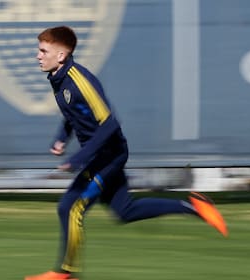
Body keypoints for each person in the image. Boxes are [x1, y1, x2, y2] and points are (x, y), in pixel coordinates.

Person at [25, 26, 227, 280]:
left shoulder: (78, 81)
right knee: (125, 211)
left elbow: (109, 123)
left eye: (43, 51)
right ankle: (195, 207)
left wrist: (77, 158)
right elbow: (72, 115)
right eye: (39, 50)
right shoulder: (59, 79)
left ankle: (66, 273)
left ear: (62, 55)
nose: (38, 56)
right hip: (100, 155)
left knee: (70, 207)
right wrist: (61, 139)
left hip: (108, 155)